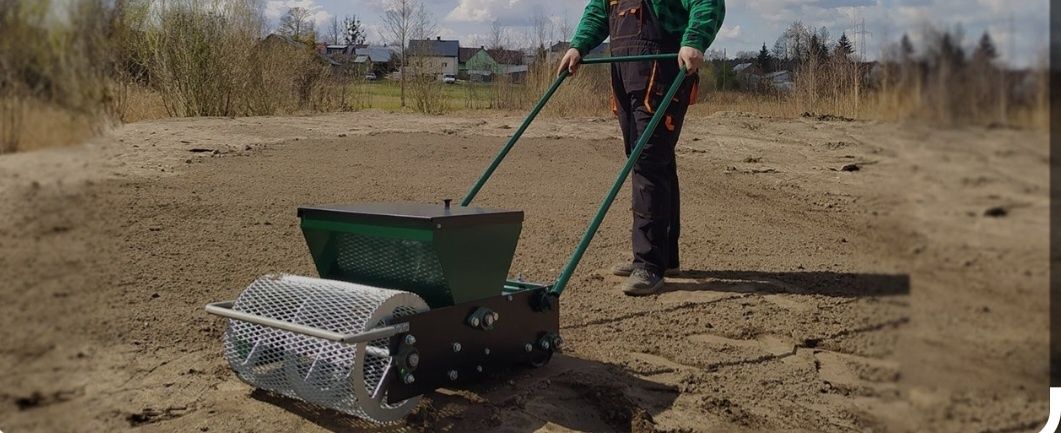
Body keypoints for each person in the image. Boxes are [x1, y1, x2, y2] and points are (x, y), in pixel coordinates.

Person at [558, 0, 725, 296]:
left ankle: (648, 263)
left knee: (648, 160)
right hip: (625, 72)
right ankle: (664, 255)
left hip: (664, 68)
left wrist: (694, 39)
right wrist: (578, 46)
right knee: (651, 160)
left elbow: (706, 2)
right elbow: (599, 10)